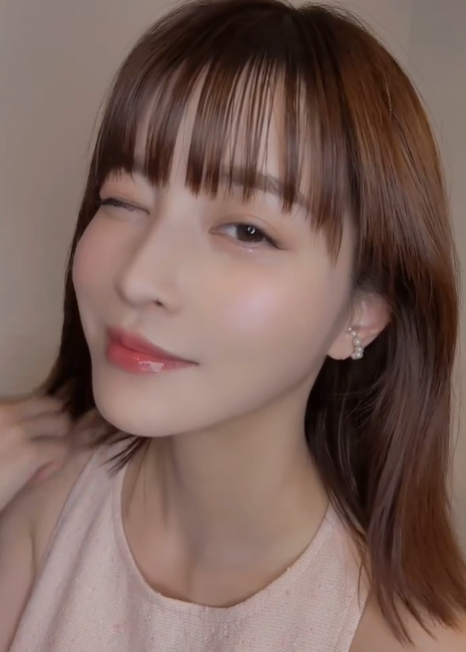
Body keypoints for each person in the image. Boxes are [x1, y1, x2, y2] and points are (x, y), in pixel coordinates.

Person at [1, 0, 465, 650]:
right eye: (123, 199)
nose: (139, 277)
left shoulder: (403, 638)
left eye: (247, 230)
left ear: (359, 313)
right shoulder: (43, 507)